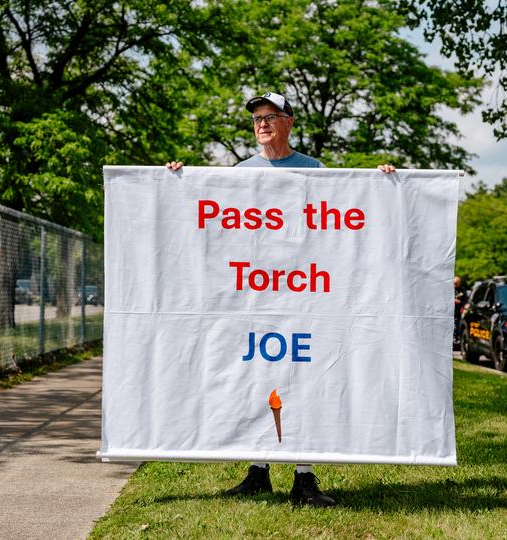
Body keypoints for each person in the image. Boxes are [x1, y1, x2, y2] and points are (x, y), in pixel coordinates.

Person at [167, 91, 395, 507]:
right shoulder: (241, 172)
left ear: (289, 122)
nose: (261, 124)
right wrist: (177, 181)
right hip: (254, 297)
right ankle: (258, 472)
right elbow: (218, 222)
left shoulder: (314, 170)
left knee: (302, 383)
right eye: (256, 119)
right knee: (257, 381)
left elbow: (340, 215)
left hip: (302, 296)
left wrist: (383, 184)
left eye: (270, 117)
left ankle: (304, 478)